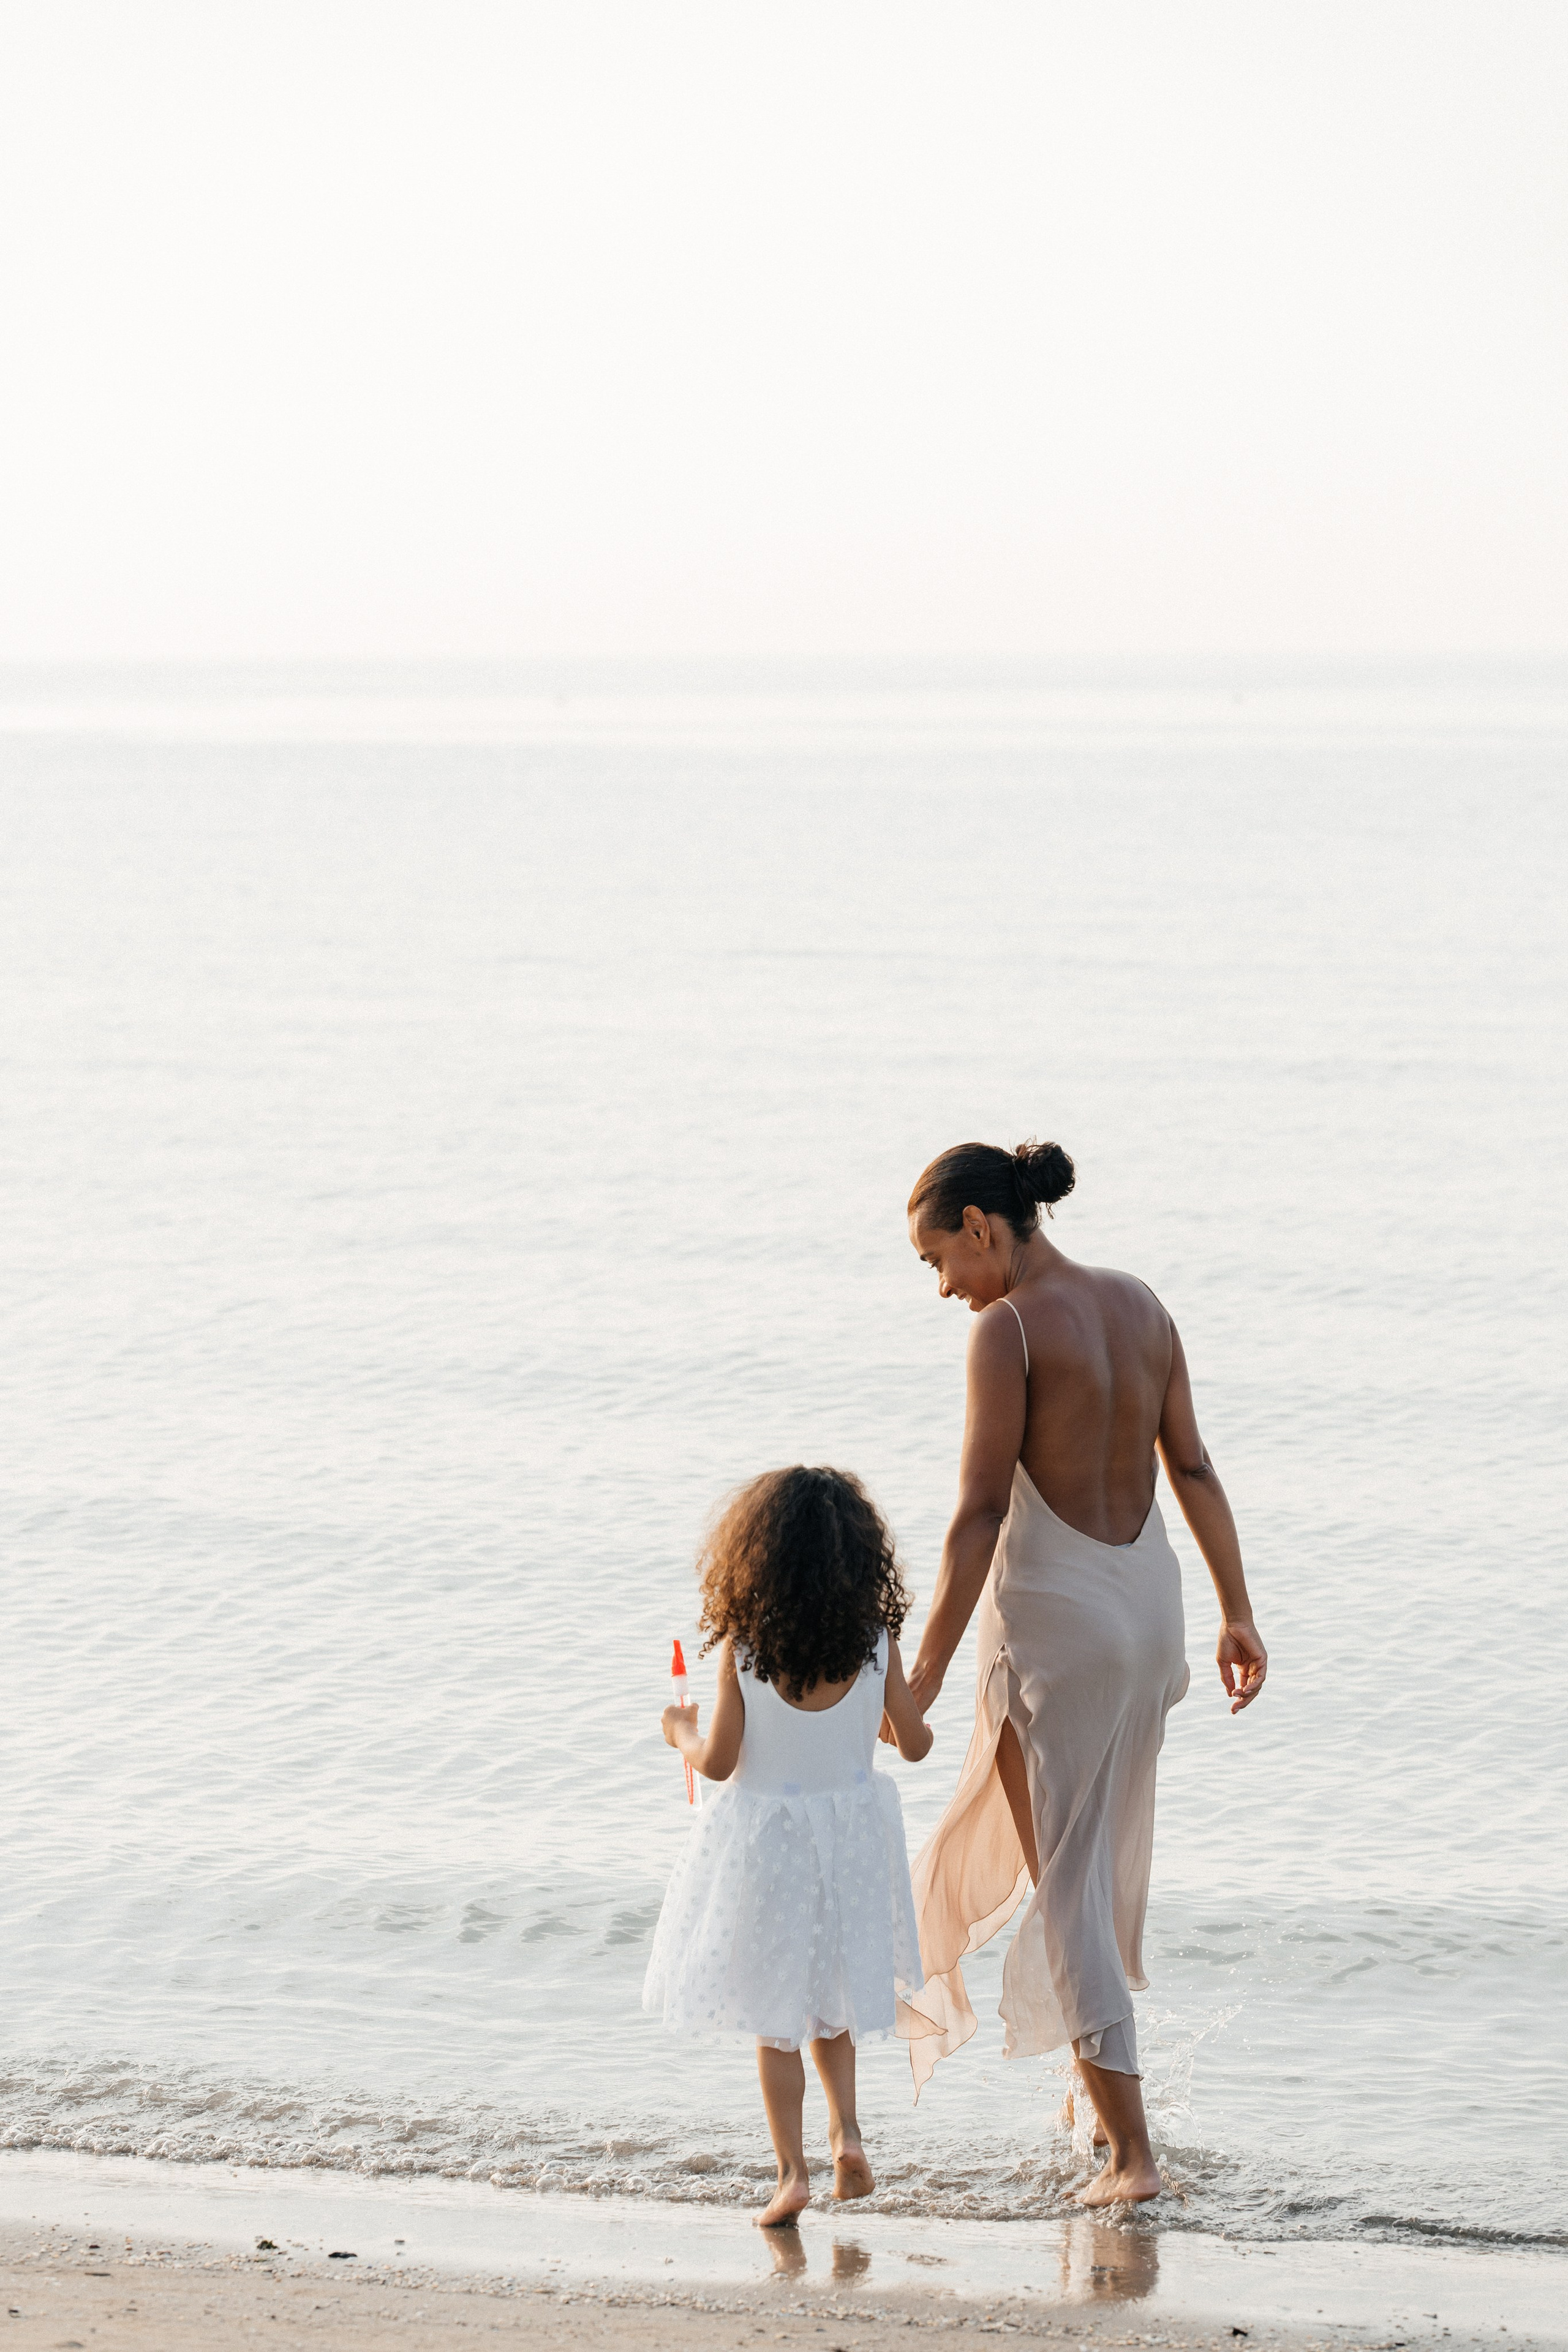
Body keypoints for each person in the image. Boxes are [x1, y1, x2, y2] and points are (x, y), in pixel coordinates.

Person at [895, 1139, 1267, 2207]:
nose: (944, 1289)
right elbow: (1190, 1464)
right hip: (1149, 1620)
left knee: (1065, 1893)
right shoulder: (1142, 1304)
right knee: (1085, 1871)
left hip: (1060, 1634)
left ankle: (1137, 2157)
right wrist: (1238, 1612)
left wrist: (919, 1679)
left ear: (982, 1226)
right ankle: (1097, 2117)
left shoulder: (1007, 1330)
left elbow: (976, 1516)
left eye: (939, 1260)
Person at [643, 1464, 933, 2228]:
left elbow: (721, 1763)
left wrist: (679, 1732)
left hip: (770, 1850)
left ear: (757, 1558)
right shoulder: (876, 1645)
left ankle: (791, 2175)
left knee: (777, 2023)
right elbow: (914, 1746)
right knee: (831, 2013)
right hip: (852, 1848)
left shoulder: (744, 1650)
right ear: (860, 1559)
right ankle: (849, 2136)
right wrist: (885, 1715)